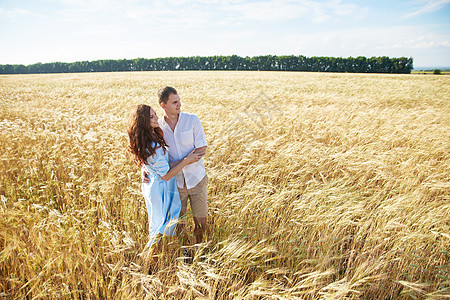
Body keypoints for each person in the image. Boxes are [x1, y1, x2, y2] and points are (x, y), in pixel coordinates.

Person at [127, 104, 204, 250]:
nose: (157, 118)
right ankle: (151, 259)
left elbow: (161, 165)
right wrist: (187, 161)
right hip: (160, 188)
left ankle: (179, 252)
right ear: (143, 121)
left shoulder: (149, 139)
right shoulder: (154, 145)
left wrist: (186, 158)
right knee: (160, 226)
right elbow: (167, 175)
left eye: (155, 114)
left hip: (154, 185)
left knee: (159, 224)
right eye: (151, 117)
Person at [143, 86, 208, 252]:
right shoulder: (159, 127)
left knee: (201, 221)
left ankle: (199, 249)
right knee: (179, 223)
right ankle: (186, 252)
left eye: (179, 100)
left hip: (197, 179)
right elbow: (152, 153)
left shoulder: (192, 120)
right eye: (174, 102)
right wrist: (145, 169)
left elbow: (202, 149)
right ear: (163, 105)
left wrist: (183, 161)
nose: (179, 104)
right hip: (175, 183)